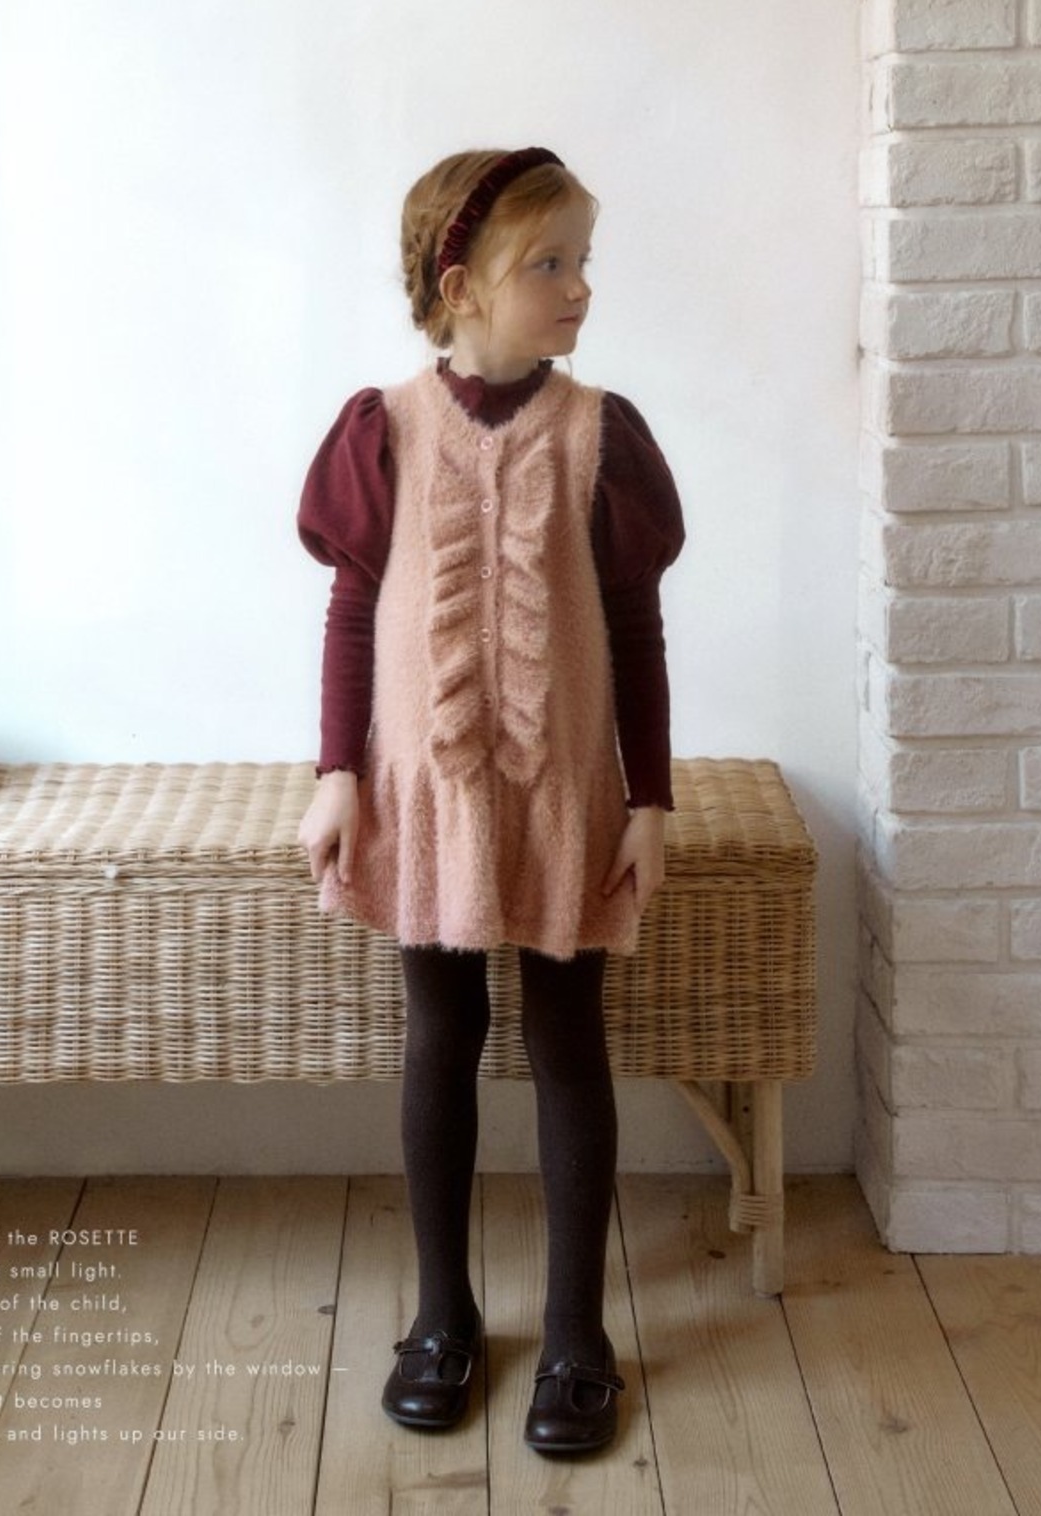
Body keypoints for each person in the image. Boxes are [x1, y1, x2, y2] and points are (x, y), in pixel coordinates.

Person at [296, 147, 683, 1455]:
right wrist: (338, 774)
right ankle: (443, 1314)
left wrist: (649, 798)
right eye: (549, 263)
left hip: (566, 795)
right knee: (440, 1031)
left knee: (571, 1042)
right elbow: (354, 610)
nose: (580, 286)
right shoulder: (386, 430)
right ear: (460, 285)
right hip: (428, 797)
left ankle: (577, 1332)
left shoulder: (600, 436)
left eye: (583, 259)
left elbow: (635, 628)